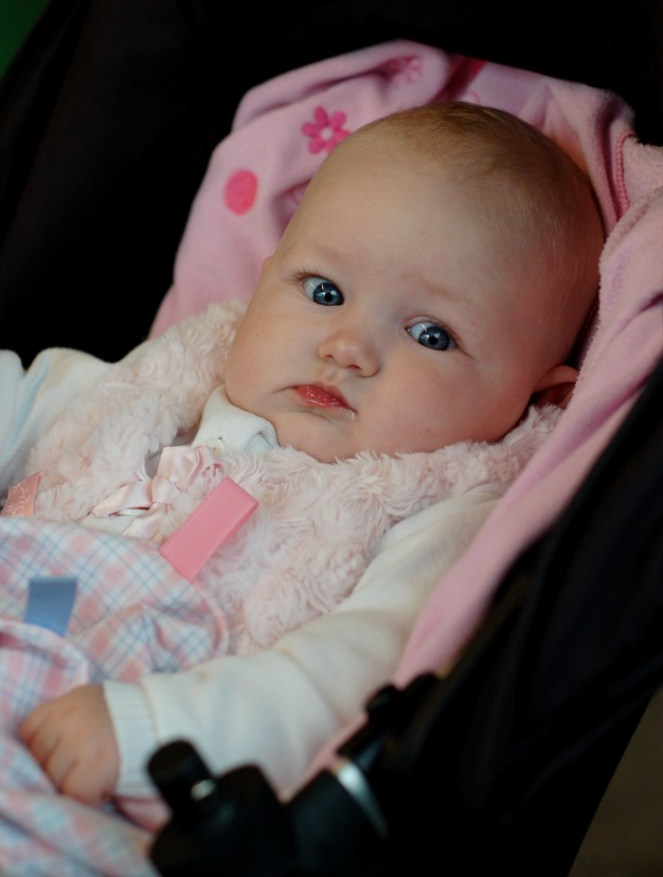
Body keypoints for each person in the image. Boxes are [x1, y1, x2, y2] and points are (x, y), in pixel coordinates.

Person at [0, 101, 604, 810]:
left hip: (103, 773)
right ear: (264, 279)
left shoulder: (436, 513)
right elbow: (26, 400)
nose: (346, 346)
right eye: (324, 291)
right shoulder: (178, 380)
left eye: (430, 334)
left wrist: (153, 731)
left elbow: (347, 677)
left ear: (536, 398)